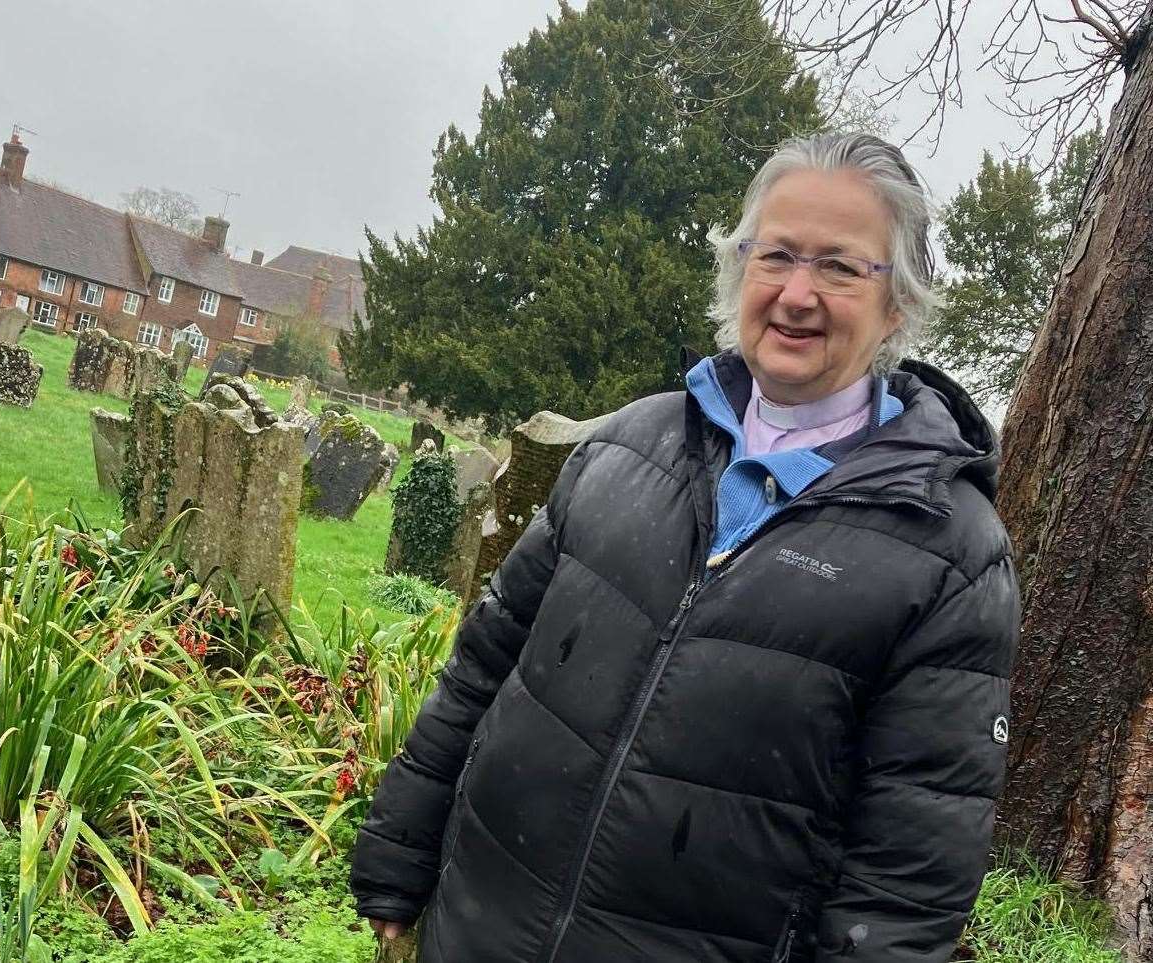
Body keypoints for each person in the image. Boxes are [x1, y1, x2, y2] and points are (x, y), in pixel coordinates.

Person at [350, 132, 1020, 963]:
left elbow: (912, 861)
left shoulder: (949, 550)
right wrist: (401, 847)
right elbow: (484, 665)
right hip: (480, 930)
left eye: (841, 267)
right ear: (740, 268)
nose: (797, 293)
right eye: (775, 254)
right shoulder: (627, 444)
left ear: (898, 305)